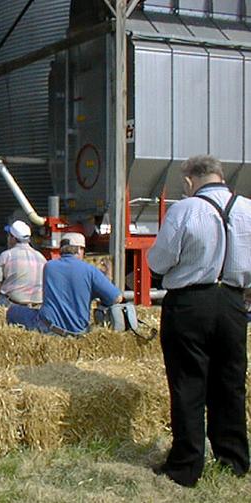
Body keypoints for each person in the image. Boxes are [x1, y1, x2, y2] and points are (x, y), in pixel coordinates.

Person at [147, 155, 251, 487]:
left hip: (190, 302)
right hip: (233, 300)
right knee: (230, 382)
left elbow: (160, 261)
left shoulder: (185, 209)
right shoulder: (248, 208)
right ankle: (233, 458)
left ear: (191, 180)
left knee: (189, 383)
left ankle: (187, 464)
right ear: (220, 176)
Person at [6, 232, 122, 336]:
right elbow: (116, 298)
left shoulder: (49, 267)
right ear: (79, 250)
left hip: (48, 328)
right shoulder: (90, 271)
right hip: (78, 332)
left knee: (13, 311)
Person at [0, 220, 46, 307]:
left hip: (14, 304)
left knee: (2, 295)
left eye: (8, 236)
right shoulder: (41, 257)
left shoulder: (6, 255)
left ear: (13, 238)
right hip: (37, 305)